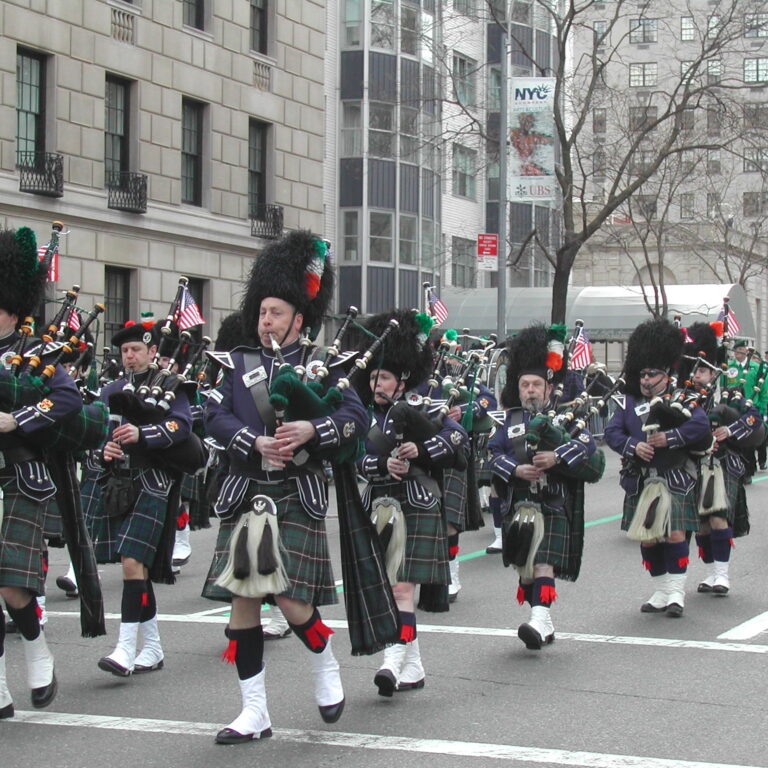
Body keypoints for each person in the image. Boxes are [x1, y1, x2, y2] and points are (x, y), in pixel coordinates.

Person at [203, 231, 368, 744]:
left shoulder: (328, 366)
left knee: (292, 600)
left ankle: (324, 661)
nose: (266, 321)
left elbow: (354, 418)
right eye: (262, 312)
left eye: (275, 312)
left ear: (300, 317)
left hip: (297, 493)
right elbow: (213, 416)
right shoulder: (236, 365)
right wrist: (253, 440)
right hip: (247, 491)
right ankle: (254, 712)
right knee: (242, 604)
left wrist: (311, 430)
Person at [355, 310, 467, 695]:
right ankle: (413, 663)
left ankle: (392, 658)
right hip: (378, 504)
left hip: (416, 503)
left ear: (402, 380)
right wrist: (379, 462)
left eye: (383, 377)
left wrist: (420, 450)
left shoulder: (430, 405)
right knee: (389, 588)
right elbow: (352, 457)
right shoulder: (363, 415)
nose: (377, 384)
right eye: (372, 377)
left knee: (401, 589)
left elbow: (457, 443)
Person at [0, 226, 83, 716]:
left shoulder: (35, 351)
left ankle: (37, 650)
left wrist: (17, 418)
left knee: (11, 584)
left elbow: (68, 400)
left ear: (11, 307)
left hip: (19, 475)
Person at [90, 315, 193, 677]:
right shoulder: (109, 389)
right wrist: (104, 451)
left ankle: (123, 648)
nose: (130, 356)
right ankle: (151, 647)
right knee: (136, 568)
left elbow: (182, 425)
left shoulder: (170, 384)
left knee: (132, 561)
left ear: (152, 350)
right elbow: (97, 433)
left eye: (136, 349)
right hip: (118, 482)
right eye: (124, 351)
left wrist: (143, 434)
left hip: (153, 482)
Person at [488, 324, 602, 650]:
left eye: (537, 384)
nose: (531, 390)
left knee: (542, 563)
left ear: (549, 388)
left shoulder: (567, 418)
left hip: (552, 503)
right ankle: (544, 621)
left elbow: (589, 454)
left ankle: (538, 621)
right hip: (519, 505)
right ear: (518, 388)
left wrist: (556, 457)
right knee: (525, 572)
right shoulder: (510, 421)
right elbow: (492, 454)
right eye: (525, 385)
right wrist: (515, 469)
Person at [605, 318, 710, 617]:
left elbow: (701, 426)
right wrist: (632, 446)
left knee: (674, 534)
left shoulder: (683, 397)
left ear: (666, 374)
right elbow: (613, 433)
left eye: (652, 374)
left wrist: (670, 438)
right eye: (642, 373)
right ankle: (661, 589)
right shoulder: (629, 402)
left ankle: (676, 593)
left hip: (675, 474)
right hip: (642, 478)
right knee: (649, 536)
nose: (646, 379)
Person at [680, 323, 758, 596]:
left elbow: (754, 419)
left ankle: (722, 575)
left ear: (713, 372)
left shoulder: (730, 394)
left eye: (702, 370)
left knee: (717, 518)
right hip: (692, 469)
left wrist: (729, 430)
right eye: (694, 370)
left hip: (722, 465)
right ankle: (712, 572)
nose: (697, 375)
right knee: (701, 527)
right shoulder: (682, 399)